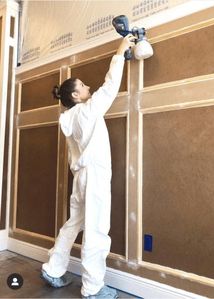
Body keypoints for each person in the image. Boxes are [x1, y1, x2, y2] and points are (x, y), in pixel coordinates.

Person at [40, 34, 136, 299]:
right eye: (82, 86)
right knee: (96, 229)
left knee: (75, 223)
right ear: (75, 95)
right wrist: (121, 50)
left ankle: (53, 267)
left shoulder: (70, 117)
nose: (87, 86)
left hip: (81, 177)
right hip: (93, 175)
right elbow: (109, 86)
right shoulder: (87, 110)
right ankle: (93, 288)